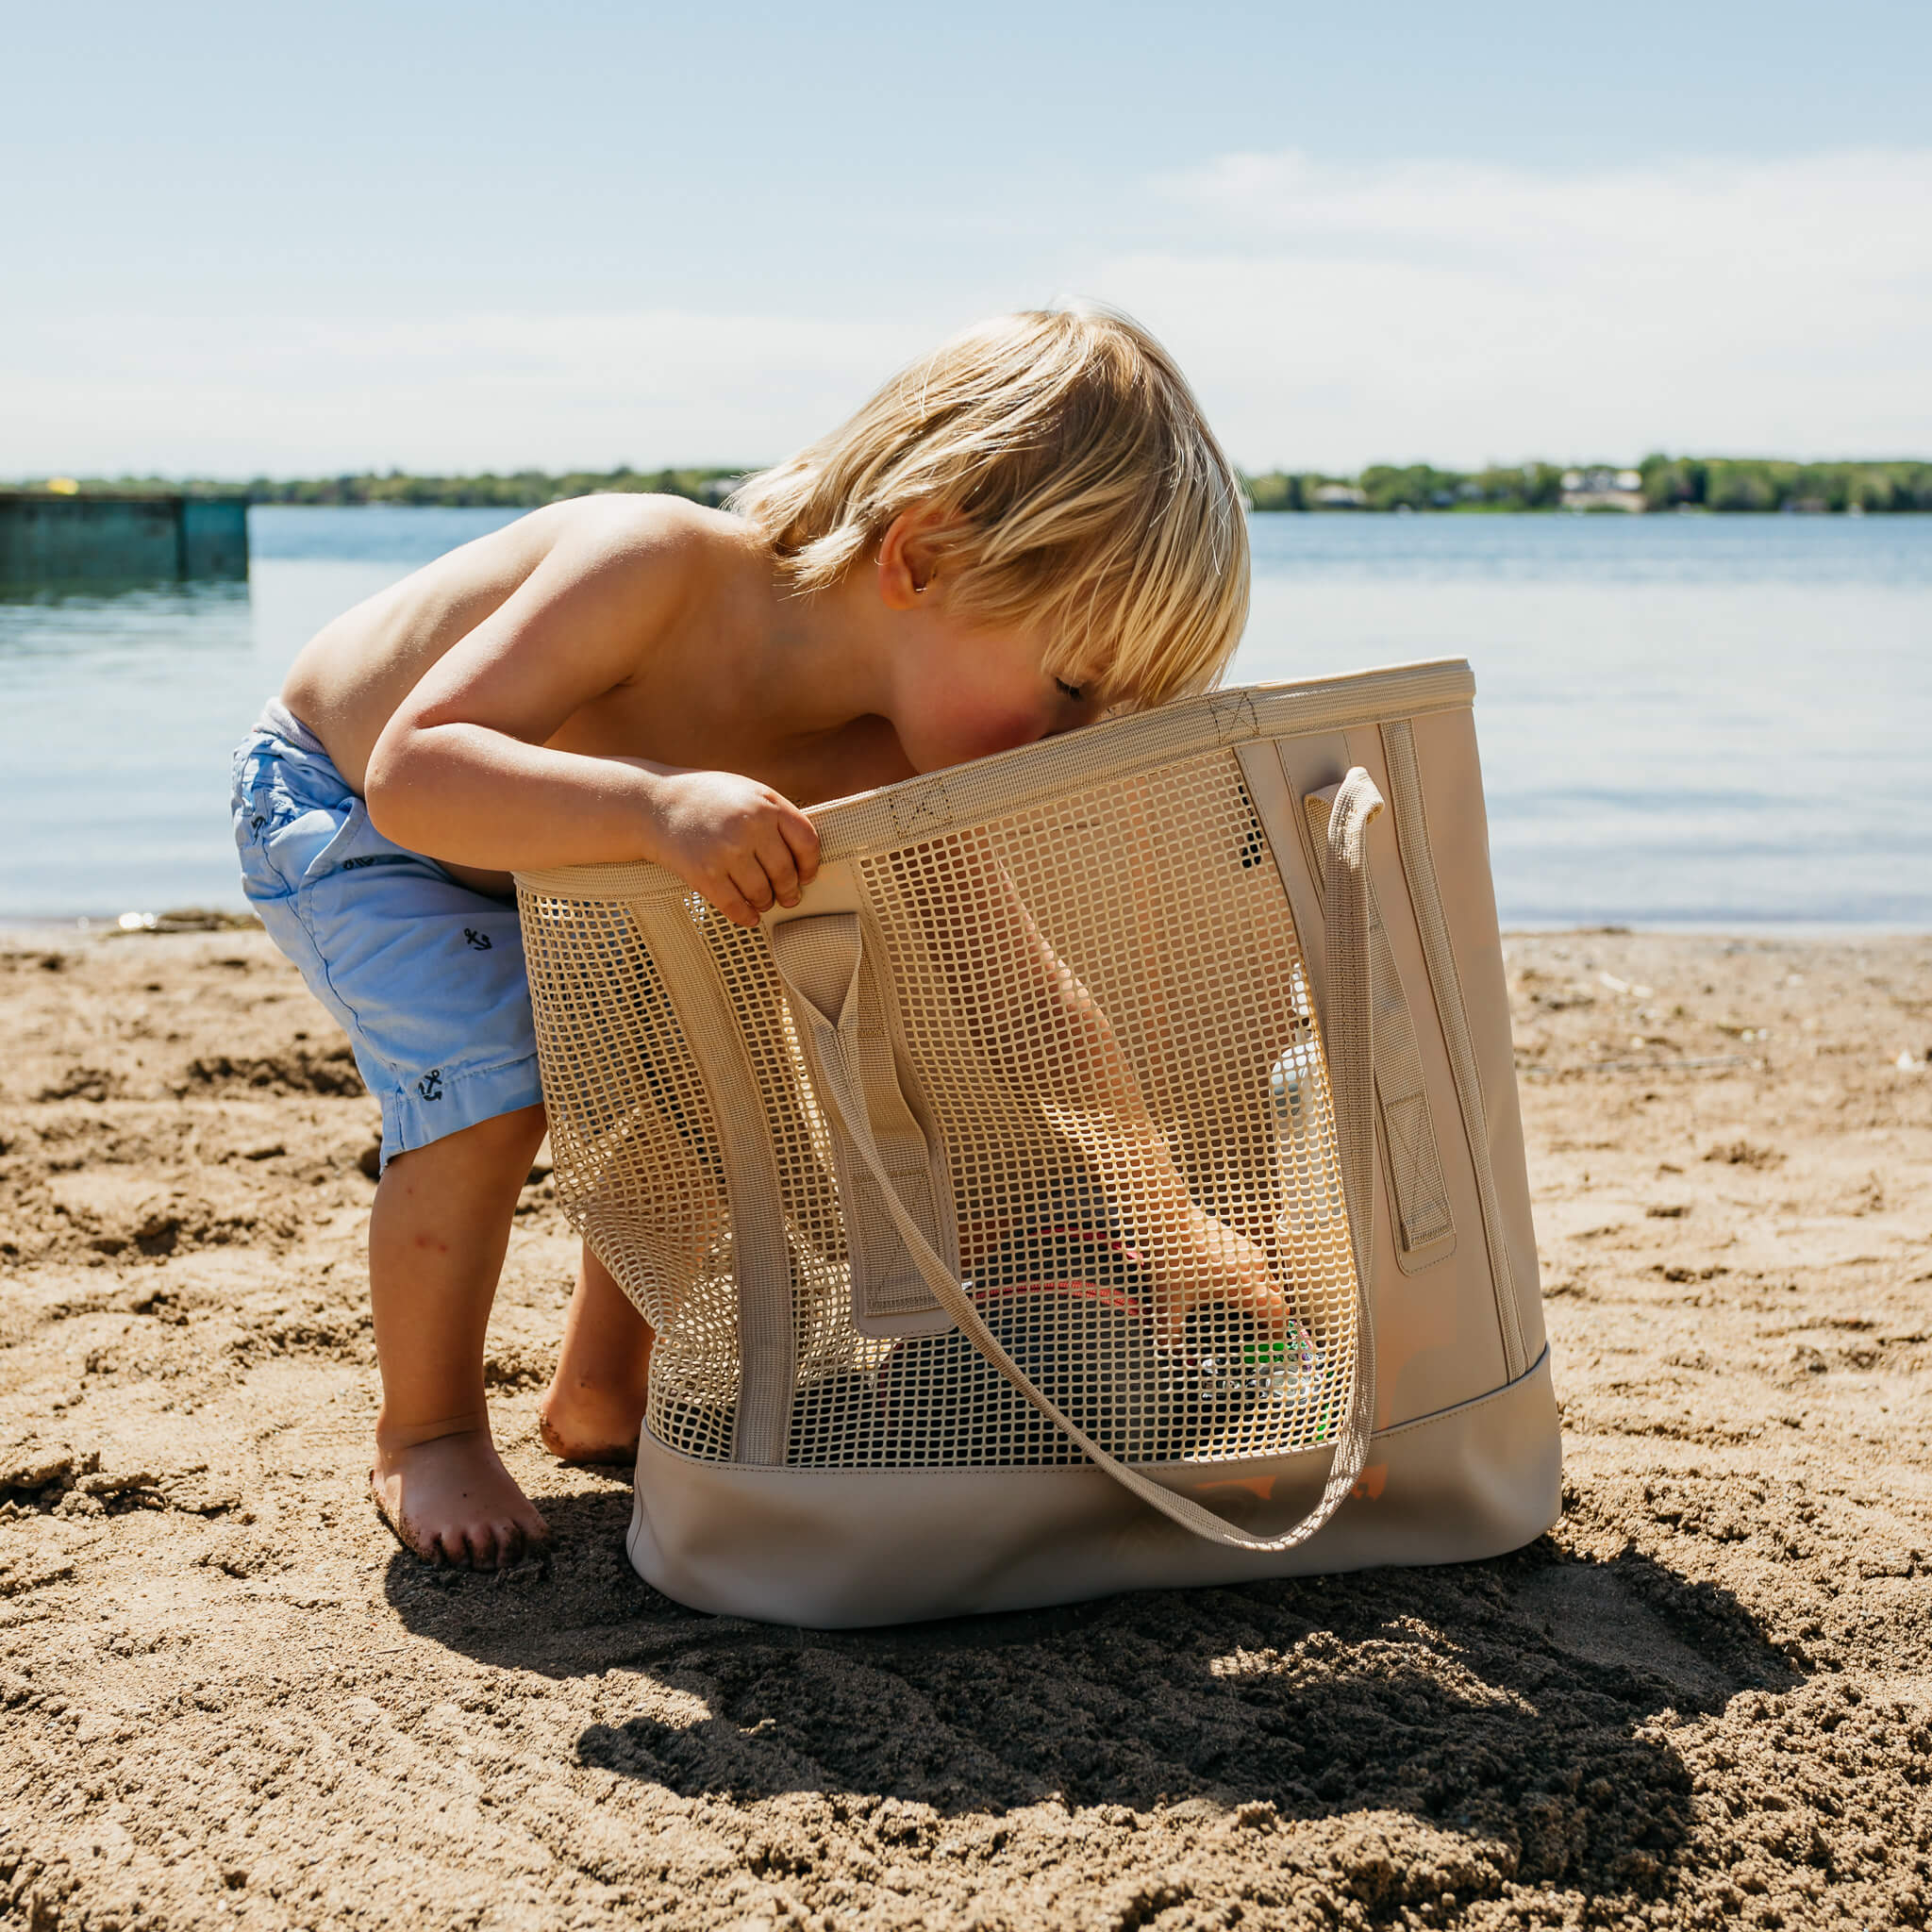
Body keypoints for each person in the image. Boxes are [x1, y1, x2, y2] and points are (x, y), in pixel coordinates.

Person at [230, 307, 1257, 1569]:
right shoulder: (653, 563)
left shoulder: (892, 754)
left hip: (576, 858)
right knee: (499, 1086)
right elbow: (418, 769)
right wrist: (660, 807)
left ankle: (602, 1392)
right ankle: (428, 1428)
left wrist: (1170, 1213)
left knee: (715, 1079)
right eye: (1069, 686)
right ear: (924, 557)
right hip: (359, 816)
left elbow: (1021, 999)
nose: (1072, 740)